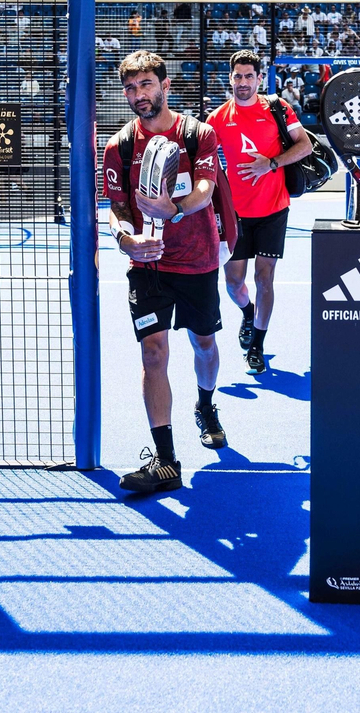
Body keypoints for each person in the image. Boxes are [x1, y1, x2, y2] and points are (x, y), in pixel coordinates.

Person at [103, 50, 231, 494]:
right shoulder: (118, 145)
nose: (139, 95)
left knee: (205, 345)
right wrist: (126, 240)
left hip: (197, 260)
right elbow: (116, 208)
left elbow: (205, 189)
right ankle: (166, 461)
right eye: (131, 89)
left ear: (165, 86)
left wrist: (171, 209)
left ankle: (206, 403)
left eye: (146, 86)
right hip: (147, 265)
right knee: (153, 354)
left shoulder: (198, 134)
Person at [206, 49, 313, 375]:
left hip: (274, 208)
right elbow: (199, 155)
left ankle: (257, 346)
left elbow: (305, 145)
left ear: (259, 78)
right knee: (233, 282)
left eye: (248, 76)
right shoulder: (218, 119)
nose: (242, 82)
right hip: (235, 213)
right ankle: (248, 313)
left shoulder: (278, 108)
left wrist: (272, 163)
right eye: (237, 76)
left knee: (264, 278)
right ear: (230, 78)